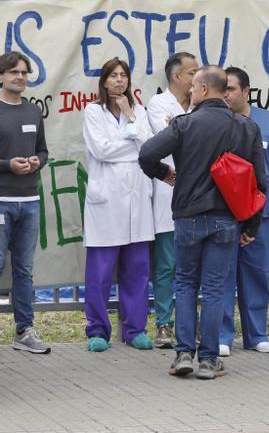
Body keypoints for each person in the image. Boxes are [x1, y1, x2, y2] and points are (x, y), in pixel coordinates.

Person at [139, 65, 266, 379]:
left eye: (194, 87)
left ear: (205, 90)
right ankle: (209, 360)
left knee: (184, 283)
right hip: (226, 219)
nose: (190, 91)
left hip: (188, 217)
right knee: (214, 289)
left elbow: (146, 154)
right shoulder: (246, 127)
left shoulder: (184, 125)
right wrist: (250, 226)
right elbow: (259, 183)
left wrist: (166, 174)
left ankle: (183, 354)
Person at [219, 67, 269, 356]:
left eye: (232, 89)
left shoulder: (268, 121)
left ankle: (256, 334)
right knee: (223, 274)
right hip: (224, 212)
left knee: (256, 274)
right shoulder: (217, 121)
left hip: (260, 212)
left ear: (246, 92)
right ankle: (223, 336)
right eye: (222, 89)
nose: (226, 94)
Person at [82, 58, 155, 352]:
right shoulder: (92, 111)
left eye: (124, 75)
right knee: (99, 273)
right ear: (103, 81)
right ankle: (97, 330)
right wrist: (135, 144)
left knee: (138, 270)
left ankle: (135, 329)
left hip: (138, 200)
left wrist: (130, 117)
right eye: (113, 75)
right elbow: (100, 150)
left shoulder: (138, 110)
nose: (119, 80)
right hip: (106, 201)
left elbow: (151, 148)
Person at [144, 52, 199, 349]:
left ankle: (190, 323)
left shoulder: (202, 103)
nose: (197, 77)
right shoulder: (157, 104)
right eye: (193, 72)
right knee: (166, 264)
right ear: (177, 76)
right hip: (169, 190)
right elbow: (169, 137)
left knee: (193, 264)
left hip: (198, 191)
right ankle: (164, 324)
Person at [0, 51, 50, 354]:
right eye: (14, 72)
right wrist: (8, 165)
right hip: (1, 200)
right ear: (1, 75)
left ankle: (24, 330)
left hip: (30, 201)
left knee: (24, 269)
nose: (20, 77)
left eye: (24, 72)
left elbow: (44, 151)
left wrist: (36, 162)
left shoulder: (33, 112)